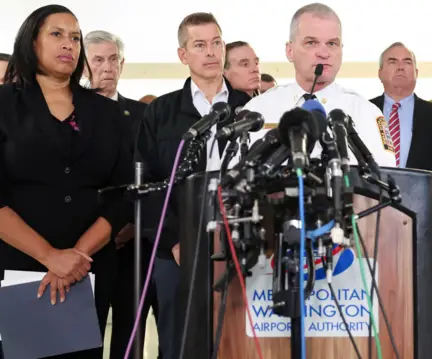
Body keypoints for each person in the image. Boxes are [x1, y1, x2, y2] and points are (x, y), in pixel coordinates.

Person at [0, 5, 132, 358]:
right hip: (18, 266)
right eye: (56, 34)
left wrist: (76, 257)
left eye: (75, 37)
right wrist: (49, 257)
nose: (69, 44)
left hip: (87, 269)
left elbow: (121, 195)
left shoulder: (106, 113)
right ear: (31, 41)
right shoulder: (4, 104)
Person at [134, 12, 250, 359]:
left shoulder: (249, 107)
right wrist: (173, 242)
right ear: (184, 55)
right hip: (175, 252)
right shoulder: (161, 112)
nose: (211, 52)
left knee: (234, 341)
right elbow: (149, 186)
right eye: (200, 45)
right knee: (179, 345)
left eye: (217, 42)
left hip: (238, 247)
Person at [370, 41, 432, 358]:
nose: (400, 66)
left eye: (407, 61)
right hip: (373, 237)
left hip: (429, 239)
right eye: (392, 61)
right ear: (380, 72)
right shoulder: (362, 112)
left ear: (416, 71)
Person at [83, 29, 162, 359]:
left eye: (113, 59)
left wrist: (131, 225)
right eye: (98, 60)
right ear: (82, 66)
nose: (107, 67)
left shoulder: (143, 116)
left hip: (135, 244)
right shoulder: (68, 114)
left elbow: (155, 176)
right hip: (84, 245)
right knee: (85, 333)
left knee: (131, 333)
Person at [242, 2, 396, 167]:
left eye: (332, 44)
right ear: (290, 51)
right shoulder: (258, 109)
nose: (324, 53)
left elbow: (385, 179)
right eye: (311, 43)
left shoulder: (365, 112)